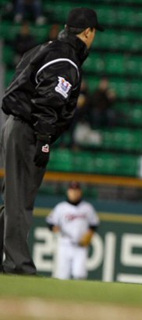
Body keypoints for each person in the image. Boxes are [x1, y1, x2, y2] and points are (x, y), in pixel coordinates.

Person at [0, 7, 103, 275]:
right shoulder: (65, 58)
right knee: (20, 201)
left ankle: (12, 259)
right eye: (94, 33)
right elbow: (50, 99)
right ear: (88, 32)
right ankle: (16, 264)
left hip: (18, 126)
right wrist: (44, 138)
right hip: (29, 130)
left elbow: (22, 81)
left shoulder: (46, 48)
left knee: (14, 196)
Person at [46, 181, 99, 280]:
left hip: (81, 246)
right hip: (64, 245)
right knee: (62, 275)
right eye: (72, 190)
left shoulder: (87, 208)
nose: (74, 193)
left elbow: (94, 224)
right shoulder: (61, 207)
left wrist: (89, 234)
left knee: (79, 275)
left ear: (80, 192)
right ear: (68, 192)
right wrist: (54, 227)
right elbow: (50, 222)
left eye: (76, 190)